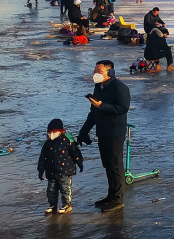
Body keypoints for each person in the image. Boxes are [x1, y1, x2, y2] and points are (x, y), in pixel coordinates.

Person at [77, 60, 131, 213]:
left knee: (115, 166)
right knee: (107, 165)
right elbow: (93, 112)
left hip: (115, 132)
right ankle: (111, 196)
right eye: (95, 71)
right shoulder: (98, 87)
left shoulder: (120, 87)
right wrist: (84, 131)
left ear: (110, 72)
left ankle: (118, 199)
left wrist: (102, 106)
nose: (95, 74)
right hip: (102, 131)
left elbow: (123, 108)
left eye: (99, 71)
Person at [37, 118, 83, 215]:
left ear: (61, 131)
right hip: (51, 172)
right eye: (50, 132)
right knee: (51, 190)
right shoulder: (47, 144)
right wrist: (40, 170)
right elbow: (42, 158)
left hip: (65, 171)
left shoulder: (67, 141)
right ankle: (53, 205)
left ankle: (67, 205)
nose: (51, 133)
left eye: (54, 131)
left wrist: (79, 163)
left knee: (65, 189)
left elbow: (75, 153)